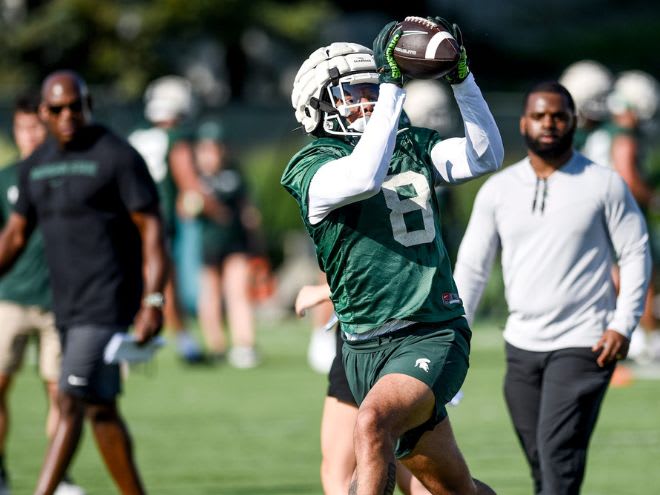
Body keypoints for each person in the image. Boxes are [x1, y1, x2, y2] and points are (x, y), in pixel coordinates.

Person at [281, 15, 503, 494]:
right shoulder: (311, 167)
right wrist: (390, 87)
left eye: (371, 88)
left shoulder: (410, 145)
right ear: (315, 108)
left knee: (371, 425)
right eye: (352, 92)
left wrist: (462, 79)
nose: (366, 100)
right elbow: (363, 175)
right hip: (362, 344)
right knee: (451, 489)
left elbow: (485, 156)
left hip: (430, 331)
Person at [453, 81, 651, 495]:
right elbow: (472, 267)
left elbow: (635, 253)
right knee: (545, 466)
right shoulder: (498, 190)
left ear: (573, 121)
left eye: (558, 116)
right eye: (539, 116)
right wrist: (455, 334)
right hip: (522, 344)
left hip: (586, 342)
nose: (549, 124)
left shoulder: (604, 184)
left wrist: (623, 324)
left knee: (558, 456)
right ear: (523, 122)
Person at [0, 70, 168, 495]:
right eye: (56, 109)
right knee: (101, 410)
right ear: (43, 111)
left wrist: (152, 299)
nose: (67, 115)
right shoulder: (35, 166)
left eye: (75, 105)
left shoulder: (116, 155)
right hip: (65, 306)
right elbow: (15, 235)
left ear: (87, 104)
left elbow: (151, 229)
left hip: (107, 304)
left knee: (70, 400)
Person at [0, 95, 84, 495]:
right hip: (10, 298)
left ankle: (60, 476)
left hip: (61, 302)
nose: (30, 135)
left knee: (62, 393)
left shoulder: (70, 172)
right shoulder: (5, 179)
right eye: (23, 128)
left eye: (36, 126)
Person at [128, 75, 205, 363]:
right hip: (157, 221)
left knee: (143, 280)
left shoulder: (137, 137)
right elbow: (189, 181)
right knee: (163, 281)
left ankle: (139, 335)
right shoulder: (176, 140)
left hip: (130, 219)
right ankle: (181, 339)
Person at [192, 120, 262, 368]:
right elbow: (184, 209)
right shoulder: (195, 180)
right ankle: (216, 346)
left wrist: (255, 239)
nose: (210, 155)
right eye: (205, 150)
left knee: (238, 292)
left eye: (215, 149)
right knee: (210, 296)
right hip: (209, 245)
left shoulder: (234, 175)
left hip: (235, 244)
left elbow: (248, 213)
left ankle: (244, 345)